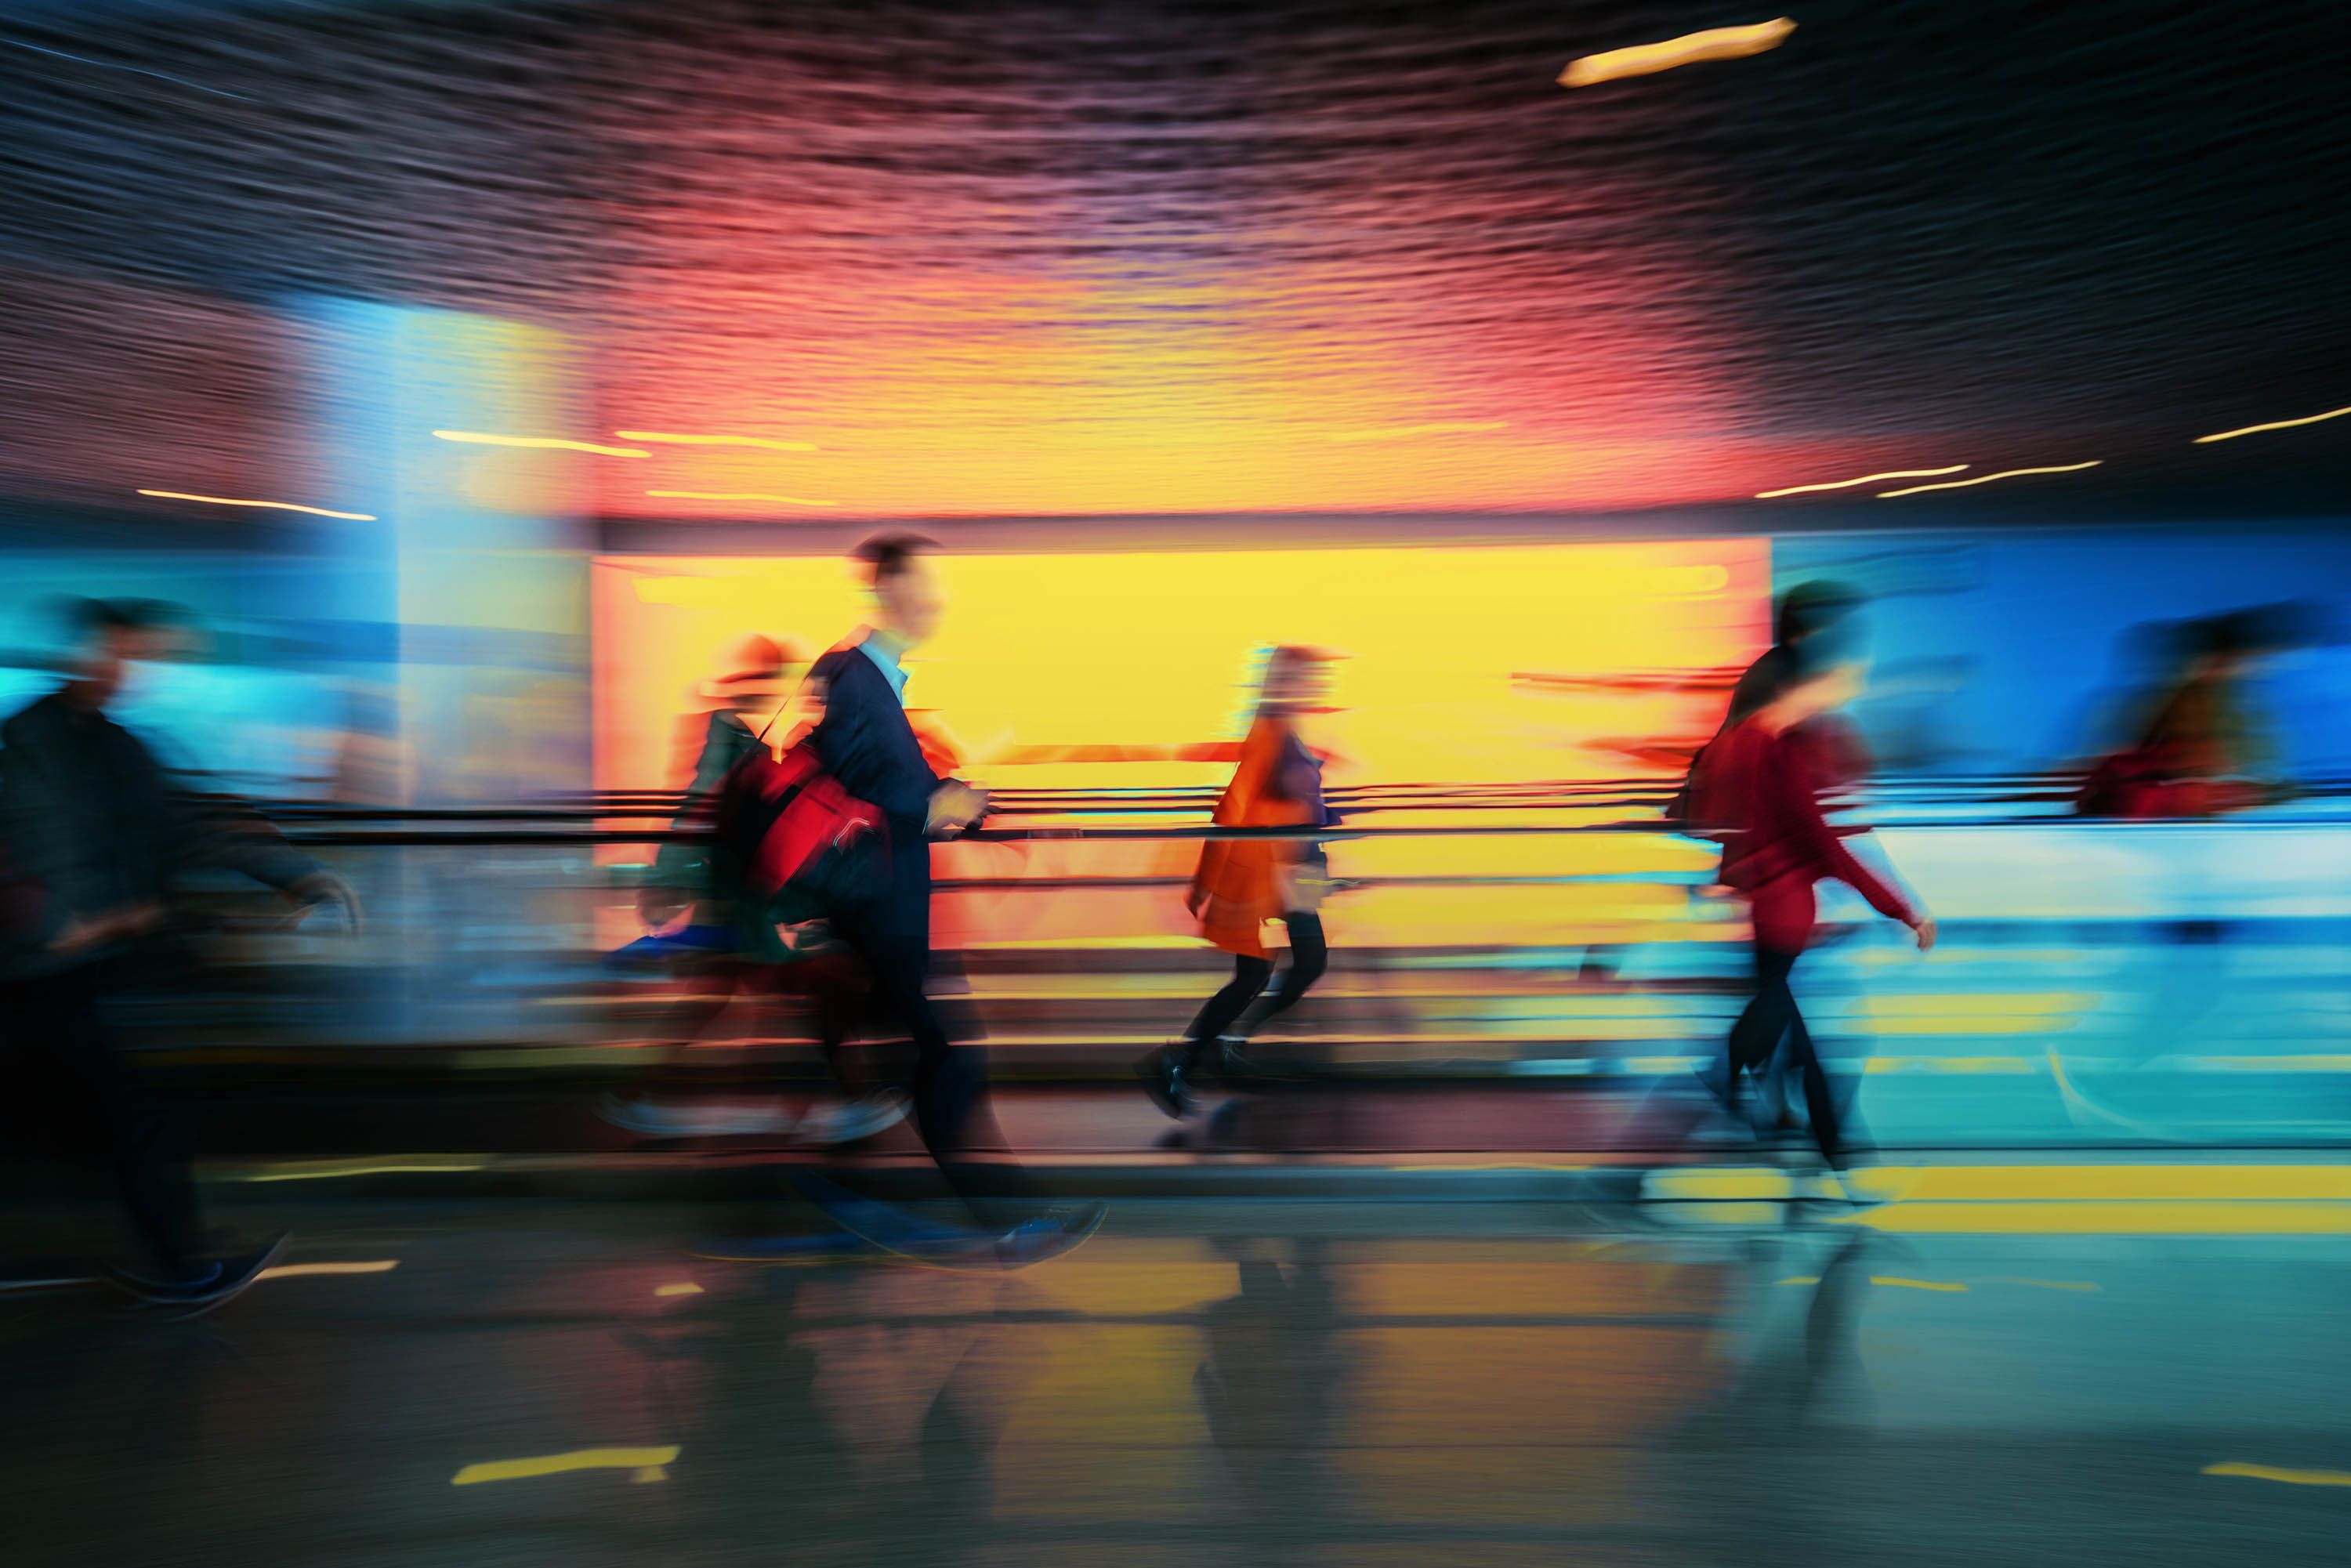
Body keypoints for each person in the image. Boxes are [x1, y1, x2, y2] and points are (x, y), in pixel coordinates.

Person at [0, 597, 359, 1311]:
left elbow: (186, 828)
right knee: (129, 1114)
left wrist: (295, 874)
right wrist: (69, 926)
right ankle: (173, 1267)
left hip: (82, 968)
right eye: (127, 653)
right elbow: (24, 853)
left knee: (122, 1115)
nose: (137, 671)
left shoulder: (115, 746)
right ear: (84, 653)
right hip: (44, 969)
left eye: (145, 657)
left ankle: (168, 1262)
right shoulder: (30, 745)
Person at [801, 534, 1093, 1255]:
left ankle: (820, 1179)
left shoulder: (876, 678)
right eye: (925, 584)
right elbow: (865, 779)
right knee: (945, 1060)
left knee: (903, 1059)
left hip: (879, 907)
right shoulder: (855, 675)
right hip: (875, 906)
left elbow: (888, 781)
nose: (937, 601)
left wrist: (976, 811)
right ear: (888, 587)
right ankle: (1009, 1220)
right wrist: (937, 802)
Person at [601, 632, 907, 1146]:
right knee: (808, 984)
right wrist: (665, 878)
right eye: (765, 675)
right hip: (739, 896)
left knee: (736, 994)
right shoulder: (725, 733)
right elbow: (697, 804)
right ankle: (830, 1102)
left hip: (744, 895)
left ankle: (645, 1095)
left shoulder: (753, 740)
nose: (769, 686)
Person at [1687, 635, 1935, 1177]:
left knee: (1790, 1037)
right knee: (1797, 1040)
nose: (1827, 701)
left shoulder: (1737, 743)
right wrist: (1902, 909)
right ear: (1792, 688)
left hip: (1768, 909)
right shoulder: (1771, 751)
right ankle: (1826, 1150)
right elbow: (1819, 841)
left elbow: (1723, 826)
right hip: (1784, 912)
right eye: (1820, 688)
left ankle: (1807, 1139)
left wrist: (1725, 880)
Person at [1138, 646, 1338, 1119]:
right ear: (1286, 682)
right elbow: (1232, 809)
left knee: (1302, 965)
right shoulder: (1269, 731)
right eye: (1309, 678)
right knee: (1267, 971)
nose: (1317, 686)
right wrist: (1206, 881)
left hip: (1298, 873)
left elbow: (1296, 802)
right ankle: (1185, 1058)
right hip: (1273, 877)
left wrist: (1333, 820)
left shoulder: (1290, 728)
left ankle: (1210, 1050)